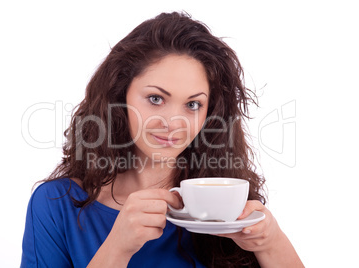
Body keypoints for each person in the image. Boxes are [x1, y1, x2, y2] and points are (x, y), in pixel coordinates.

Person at [20, 12, 303, 267]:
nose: (173, 123)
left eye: (193, 105)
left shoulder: (225, 205)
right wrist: (116, 249)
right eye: (155, 99)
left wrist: (271, 242)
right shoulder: (56, 204)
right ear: (120, 97)